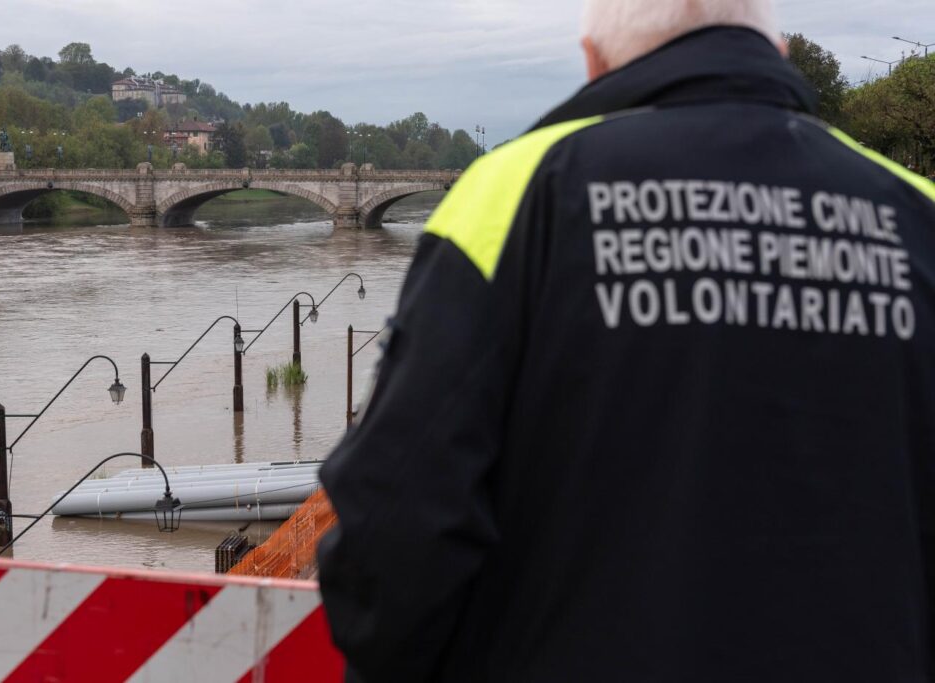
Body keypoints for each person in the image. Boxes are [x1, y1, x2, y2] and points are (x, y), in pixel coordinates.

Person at [317, 1, 935, 680]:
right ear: (779, 57)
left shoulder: (516, 193)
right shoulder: (915, 213)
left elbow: (391, 533)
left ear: (594, 61)